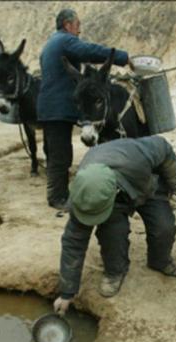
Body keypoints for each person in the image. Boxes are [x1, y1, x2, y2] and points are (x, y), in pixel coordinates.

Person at [53, 135, 176, 315]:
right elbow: (73, 242)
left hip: (146, 184)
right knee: (112, 234)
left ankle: (160, 261)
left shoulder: (139, 157)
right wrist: (67, 293)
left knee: (164, 227)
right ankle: (115, 272)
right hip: (113, 197)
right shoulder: (84, 193)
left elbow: (163, 147)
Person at [38, 8, 130, 210]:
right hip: (57, 107)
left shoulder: (50, 44)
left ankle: (58, 194)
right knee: (60, 155)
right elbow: (89, 51)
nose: (79, 31)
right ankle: (58, 198)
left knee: (55, 152)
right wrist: (123, 57)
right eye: (78, 26)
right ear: (67, 25)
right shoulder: (65, 40)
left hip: (49, 105)